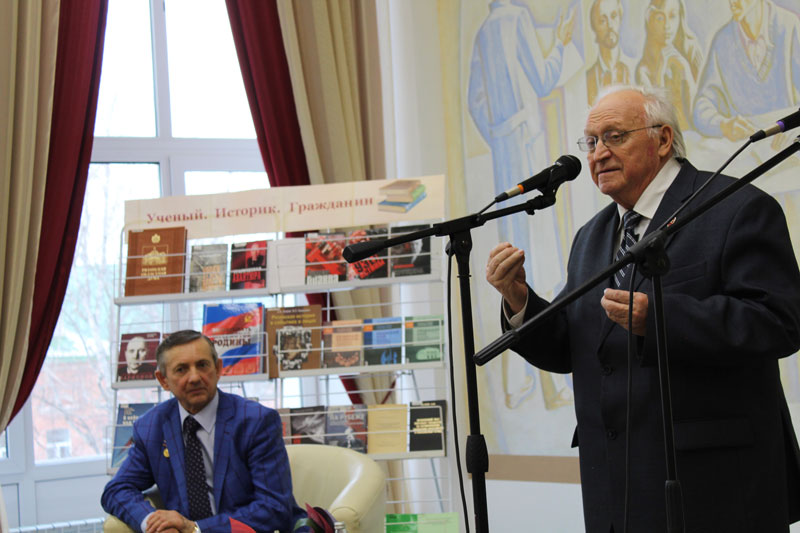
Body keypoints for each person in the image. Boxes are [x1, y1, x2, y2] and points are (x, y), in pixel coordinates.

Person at [485, 85, 800, 532]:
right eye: (591, 142)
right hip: (616, 489)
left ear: (663, 139)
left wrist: (659, 320)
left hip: (715, 488)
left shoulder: (737, 208)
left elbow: (779, 322)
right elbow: (572, 345)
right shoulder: (592, 237)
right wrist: (519, 301)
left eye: (614, 136)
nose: (598, 153)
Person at [102, 329, 306, 533]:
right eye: (181, 369)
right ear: (163, 380)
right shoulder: (151, 428)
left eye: (202, 365)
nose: (194, 377)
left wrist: (196, 528)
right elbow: (117, 489)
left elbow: (274, 509)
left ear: (217, 369)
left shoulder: (256, 421)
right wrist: (153, 524)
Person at [692, 0, 800, 141]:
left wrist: (793, 131)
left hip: (789, 140)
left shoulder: (789, 26)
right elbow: (702, 105)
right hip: (748, 146)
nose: (732, 2)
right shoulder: (723, 41)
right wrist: (723, 125)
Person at [635, 0, 702, 131]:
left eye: (672, 16)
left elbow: (696, 116)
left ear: (680, 18)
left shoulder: (691, 50)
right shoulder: (644, 70)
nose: (667, 26)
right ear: (651, 22)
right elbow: (657, 122)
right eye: (660, 18)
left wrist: (686, 70)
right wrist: (660, 72)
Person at [585, 0, 630, 106]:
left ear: (620, 19)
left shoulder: (633, 69)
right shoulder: (588, 78)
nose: (610, 25)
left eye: (614, 16)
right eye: (602, 20)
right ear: (594, 28)